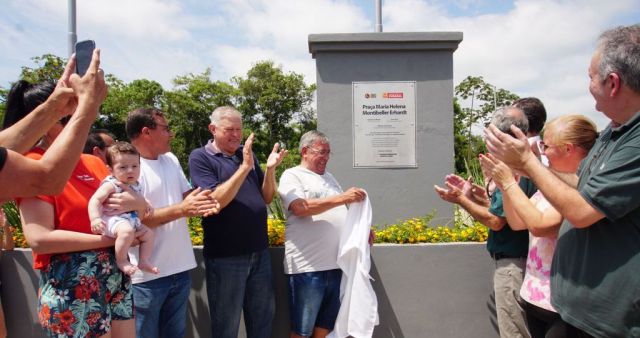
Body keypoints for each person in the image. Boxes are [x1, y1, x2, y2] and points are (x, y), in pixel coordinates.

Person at [485, 24, 640, 338]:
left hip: (607, 323)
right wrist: (524, 170)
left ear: (612, 83)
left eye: (589, 76)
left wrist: (524, 165)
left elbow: (580, 211)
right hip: (573, 312)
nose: (587, 85)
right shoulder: (614, 132)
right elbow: (578, 183)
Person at [17, 49, 139, 337]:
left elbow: (132, 211)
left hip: (114, 277)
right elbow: (40, 239)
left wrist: (139, 204)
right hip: (72, 284)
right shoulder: (31, 165)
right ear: (45, 122)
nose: (79, 123)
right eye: (68, 117)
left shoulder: (95, 163)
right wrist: (107, 238)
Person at [480, 115, 598, 338]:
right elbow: (517, 223)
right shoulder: (550, 184)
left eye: (545, 145)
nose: (541, 151)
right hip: (535, 297)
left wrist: (508, 180)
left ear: (569, 149)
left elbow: (540, 226)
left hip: (562, 304)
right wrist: (508, 183)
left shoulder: (580, 188)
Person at [435, 106, 535, 338]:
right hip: (519, 262)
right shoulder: (526, 163)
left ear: (498, 134)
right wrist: (476, 195)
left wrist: (460, 199)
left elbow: (496, 221)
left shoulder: (511, 168)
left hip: (513, 265)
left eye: (488, 132)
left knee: (514, 332)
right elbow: (504, 211)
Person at [188, 106, 287, 338]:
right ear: (213, 129)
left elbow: (267, 197)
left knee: (262, 322)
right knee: (226, 327)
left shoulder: (248, 153)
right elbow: (215, 201)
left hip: (259, 253)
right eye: (229, 129)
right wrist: (244, 167)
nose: (236, 135)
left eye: (239, 130)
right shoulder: (200, 157)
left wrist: (270, 170)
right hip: (226, 257)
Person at [126, 107, 220, 338]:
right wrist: (182, 209)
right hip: (145, 278)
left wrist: (206, 201)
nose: (171, 134)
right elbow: (135, 219)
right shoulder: (127, 166)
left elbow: (186, 198)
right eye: (166, 128)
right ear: (146, 132)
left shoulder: (170, 159)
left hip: (179, 270)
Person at [277, 130, 366, 338]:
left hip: (335, 267)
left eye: (328, 153)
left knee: (324, 329)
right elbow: (300, 208)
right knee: (301, 331)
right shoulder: (292, 175)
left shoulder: (330, 178)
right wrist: (342, 197)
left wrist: (361, 232)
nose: (326, 157)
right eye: (321, 152)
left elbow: (342, 212)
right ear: (305, 151)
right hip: (307, 269)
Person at [0, 53, 104, 200]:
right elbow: (46, 181)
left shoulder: (93, 162)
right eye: (66, 120)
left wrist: (54, 109)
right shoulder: (32, 159)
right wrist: (87, 107)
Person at [88, 141, 158, 275]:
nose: (130, 170)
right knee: (126, 232)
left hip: (130, 220)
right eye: (123, 167)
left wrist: (145, 203)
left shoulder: (135, 183)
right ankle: (121, 261)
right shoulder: (111, 184)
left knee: (148, 234)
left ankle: (143, 260)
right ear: (110, 170)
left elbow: (139, 198)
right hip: (112, 220)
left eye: (134, 166)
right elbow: (95, 200)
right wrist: (95, 219)